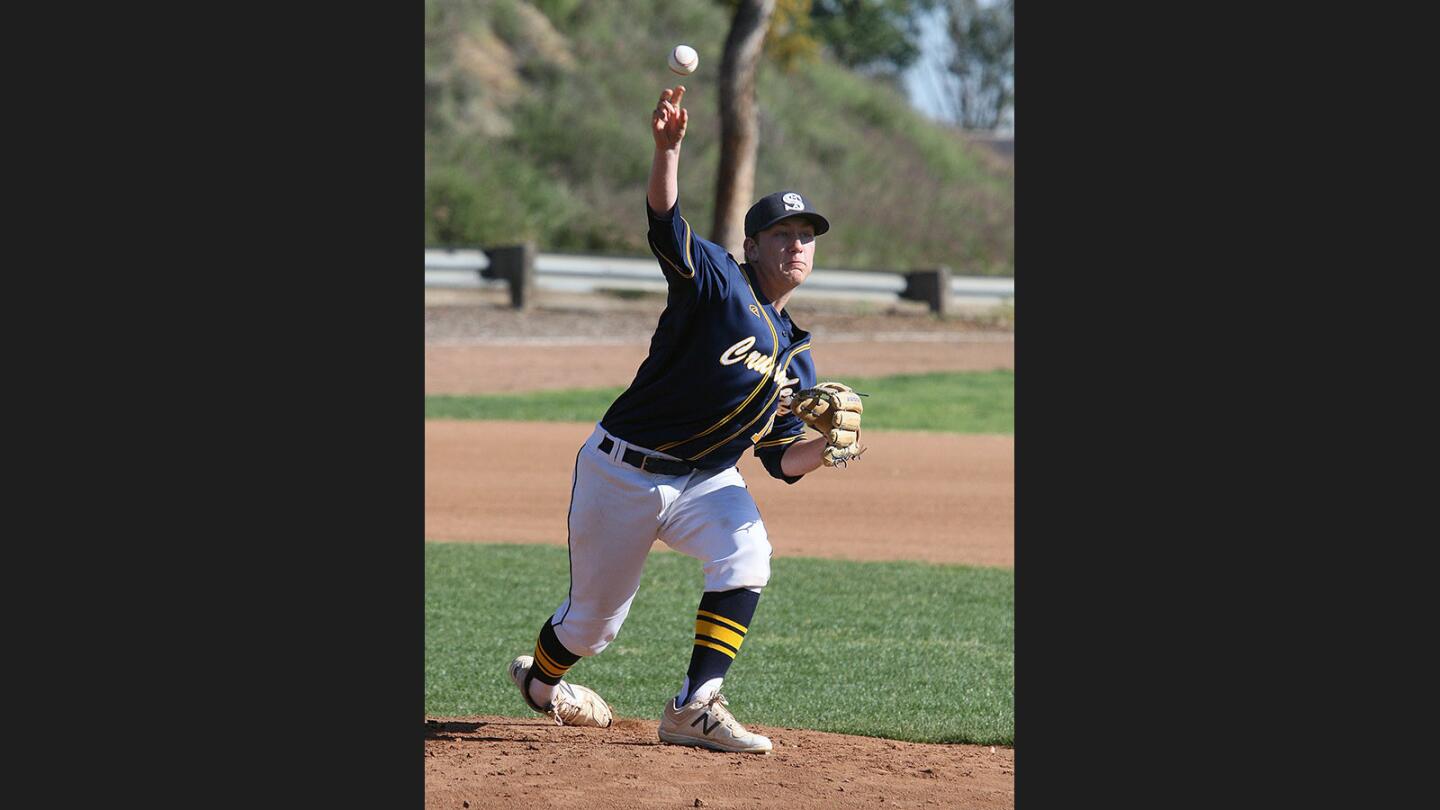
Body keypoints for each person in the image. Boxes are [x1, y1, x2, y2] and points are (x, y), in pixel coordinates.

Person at [506, 83, 857, 754]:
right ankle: (541, 686)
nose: (797, 245)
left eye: (806, 236)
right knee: (590, 629)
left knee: (748, 553)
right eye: (782, 233)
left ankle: (693, 706)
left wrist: (833, 447)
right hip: (623, 471)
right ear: (752, 246)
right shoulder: (717, 282)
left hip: (706, 479)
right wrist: (667, 150)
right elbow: (665, 224)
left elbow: (782, 461)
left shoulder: (799, 357)